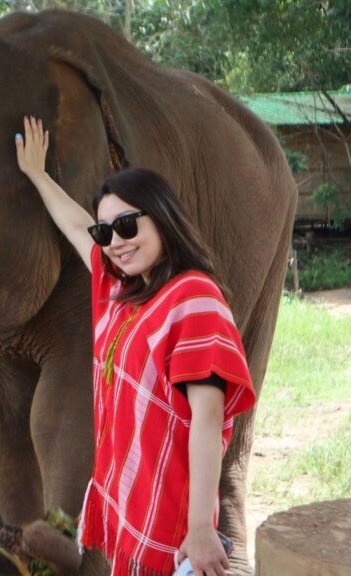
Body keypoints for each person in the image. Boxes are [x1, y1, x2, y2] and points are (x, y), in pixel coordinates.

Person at [15, 116, 255, 576]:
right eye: (107, 234)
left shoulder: (193, 299)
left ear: (162, 216)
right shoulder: (122, 295)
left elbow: (207, 416)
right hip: (133, 504)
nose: (116, 243)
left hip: (173, 516)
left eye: (127, 225)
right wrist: (38, 176)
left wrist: (201, 527)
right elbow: (77, 226)